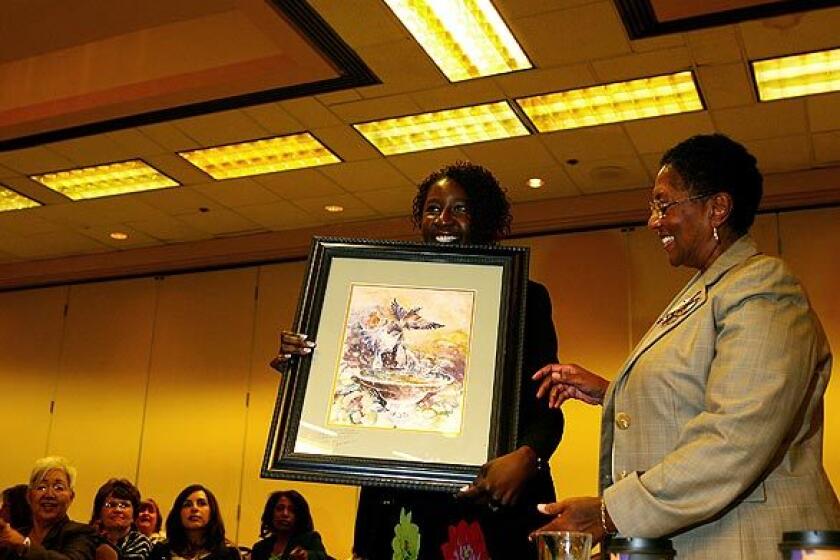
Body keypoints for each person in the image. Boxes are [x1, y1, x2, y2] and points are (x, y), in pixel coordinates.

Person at [532, 134, 840, 559]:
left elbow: (736, 437)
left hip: (750, 541)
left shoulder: (763, 287)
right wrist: (615, 392)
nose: (653, 221)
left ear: (717, 208)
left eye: (664, 204)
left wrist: (609, 513)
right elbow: (698, 394)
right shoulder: (706, 290)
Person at [272, 162, 564, 559]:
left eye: (460, 208)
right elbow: (350, 383)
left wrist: (528, 457)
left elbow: (547, 403)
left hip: (488, 505)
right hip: (398, 500)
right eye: (432, 208)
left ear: (485, 218)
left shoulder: (523, 298)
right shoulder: (379, 293)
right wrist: (308, 365)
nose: (444, 219)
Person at [0, 456, 96, 560]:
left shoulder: (81, 533)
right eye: (42, 487)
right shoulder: (16, 535)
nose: (49, 494)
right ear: (29, 496)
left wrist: (24, 546)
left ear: (71, 497)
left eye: (58, 488)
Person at [148, 485, 238, 560]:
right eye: (187, 505)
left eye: (202, 503)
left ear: (212, 511)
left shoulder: (229, 554)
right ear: (178, 513)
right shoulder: (161, 551)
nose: (194, 508)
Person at [250, 491, 328, 560]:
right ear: (271, 513)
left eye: (292, 510)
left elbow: (322, 557)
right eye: (280, 509)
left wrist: (306, 556)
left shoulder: (309, 540)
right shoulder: (259, 548)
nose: (285, 514)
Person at [90, 479, 151, 560]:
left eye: (125, 505)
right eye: (111, 505)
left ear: (134, 515)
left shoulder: (141, 542)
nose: (118, 510)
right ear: (99, 512)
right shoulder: (87, 539)